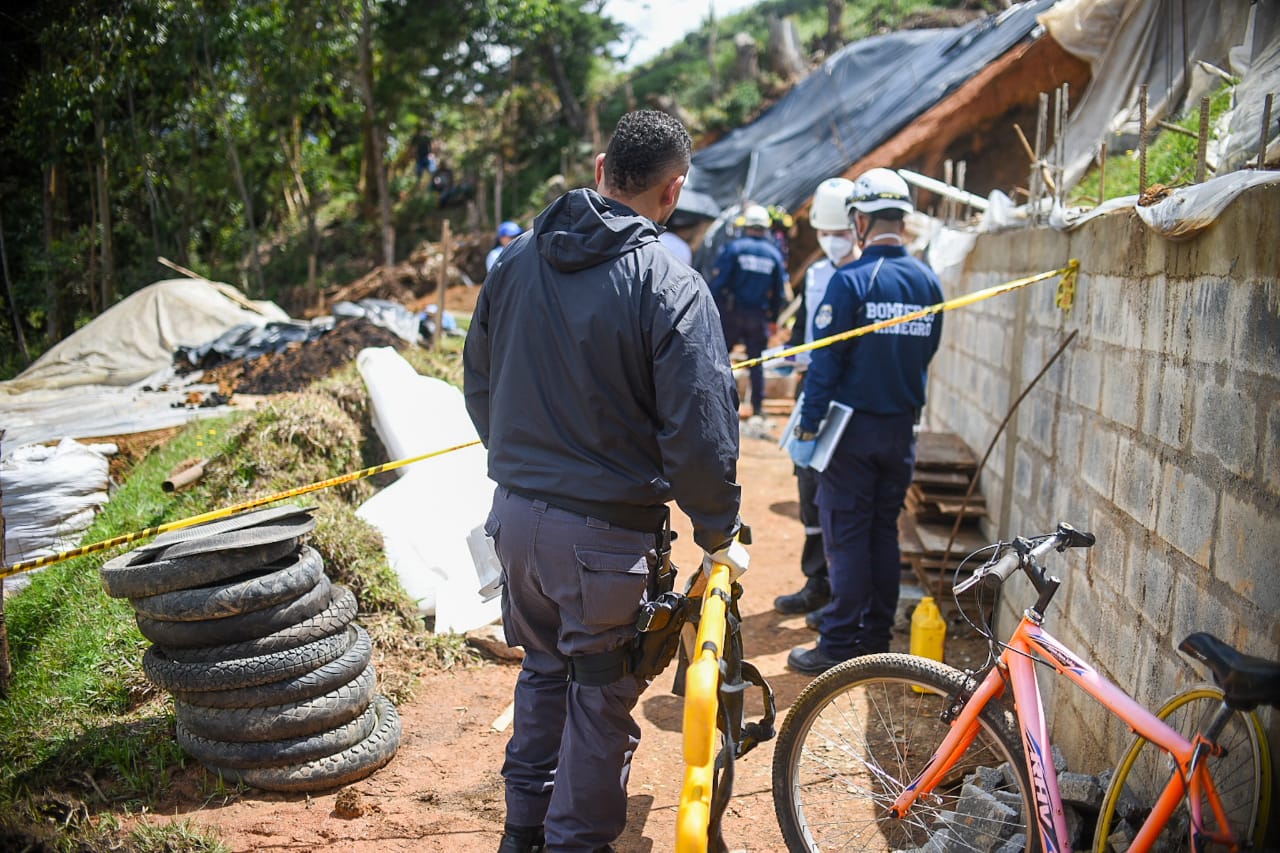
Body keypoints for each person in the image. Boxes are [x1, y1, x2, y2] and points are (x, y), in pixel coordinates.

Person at [463, 109, 748, 853]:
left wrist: (524, 467)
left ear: (599, 168)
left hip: (515, 523)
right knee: (599, 698)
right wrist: (719, 531)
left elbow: (480, 384)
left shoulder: (514, 264)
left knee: (544, 670)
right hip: (602, 540)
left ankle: (521, 831)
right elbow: (701, 431)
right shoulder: (668, 283)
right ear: (673, 190)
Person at [785, 167, 943, 676]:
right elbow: (928, 352)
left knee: (846, 536)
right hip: (901, 430)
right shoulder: (927, 281)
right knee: (882, 533)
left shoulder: (852, 282)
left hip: (850, 432)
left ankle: (837, 643)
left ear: (860, 221)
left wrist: (807, 427)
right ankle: (875, 637)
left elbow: (826, 367)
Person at [772, 177, 859, 622]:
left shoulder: (866, 277)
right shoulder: (819, 275)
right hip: (813, 389)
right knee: (807, 482)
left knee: (840, 492)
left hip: (850, 396)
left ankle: (844, 591)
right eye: (826, 234)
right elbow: (805, 331)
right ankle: (817, 581)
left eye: (841, 233)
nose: (832, 242)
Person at [708, 203, 789, 423]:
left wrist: (711, 309)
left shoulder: (735, 248)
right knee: (756, 362)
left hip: (732, 314)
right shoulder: (774, 255)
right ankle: (758, 408)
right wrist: (772, 318)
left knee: (720, 359)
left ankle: (713, 403)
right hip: (758, 316)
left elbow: (719, 283)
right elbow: (780, 293)